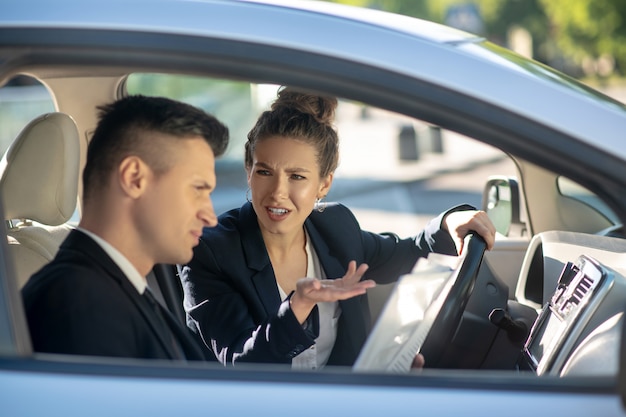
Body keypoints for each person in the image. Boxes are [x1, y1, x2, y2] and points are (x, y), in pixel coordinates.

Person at [180, 87, 496, 369]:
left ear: (324, 184)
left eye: (297, 177)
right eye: (264, 172)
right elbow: (241, 361)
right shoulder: (211, 251)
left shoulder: (336, 228)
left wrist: (447, 222)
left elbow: (409, 252)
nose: (277, 191)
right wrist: (298, 306)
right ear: (248, 169)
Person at [22, 95, 229, 361]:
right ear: (134, 178)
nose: (211, 217)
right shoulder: (81, 303)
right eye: (198, 189)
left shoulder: (115, 287)